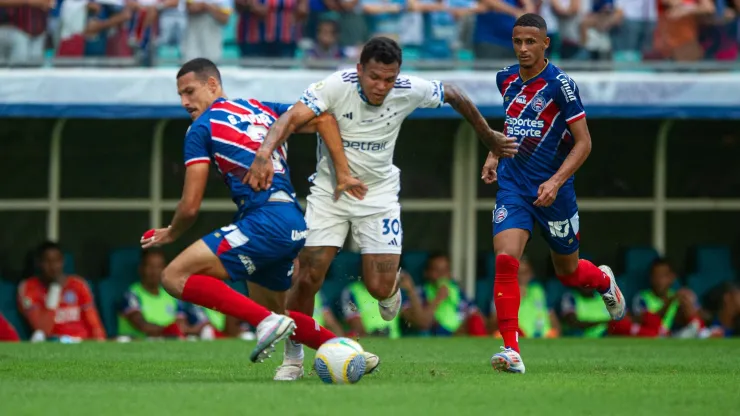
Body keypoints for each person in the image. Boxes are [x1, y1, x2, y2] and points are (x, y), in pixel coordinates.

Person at [245, 36, 518, 381]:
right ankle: (294, 357)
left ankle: (391, 290)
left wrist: (488, 137)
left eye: (389, 79)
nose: (381, 86)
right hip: (330, 192)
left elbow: (454, 93)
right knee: (307, 275)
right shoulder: (333, 86)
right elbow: (289, 118)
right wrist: (263, 154)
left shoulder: (408, 89)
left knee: (377, 286)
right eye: (374, 77)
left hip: (380, 196)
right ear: (359, 70)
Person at [140, 58, 377, 371]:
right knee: (281, 314)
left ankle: (263, 323)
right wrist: (343, 173)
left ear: (213, 85)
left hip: (264, 221)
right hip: (292, 220)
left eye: (190, 91)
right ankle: (347, 350)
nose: (185, 101)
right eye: (180, 95)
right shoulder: (260, 107)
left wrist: (171, 232)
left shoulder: (200, 128)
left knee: (174, 276)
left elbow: (190, 204)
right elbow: (324, 118)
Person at [480, 13, 626, 374]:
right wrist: (493, 154)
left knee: (569, 272)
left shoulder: (561, 85)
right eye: (518, 42)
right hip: (514, 185)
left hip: (554, 191)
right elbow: (513, 123)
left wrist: (557, 181)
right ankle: (511, 349)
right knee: (505, 259)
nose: (523, 49)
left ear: (546, 43)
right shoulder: (505, 78)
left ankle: (604, 281)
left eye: (531, 42)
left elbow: (584, 143)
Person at [17, 241, 106, 342]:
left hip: (82, 342)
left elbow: (94, 325)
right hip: (55, 343)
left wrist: (100, 342)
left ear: (63, 261)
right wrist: (55, 291)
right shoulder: (29, 287)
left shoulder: (78, 284)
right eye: (47, 261)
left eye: (57, 261)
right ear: (39, 263)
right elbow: (42, 331)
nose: (53, 267)